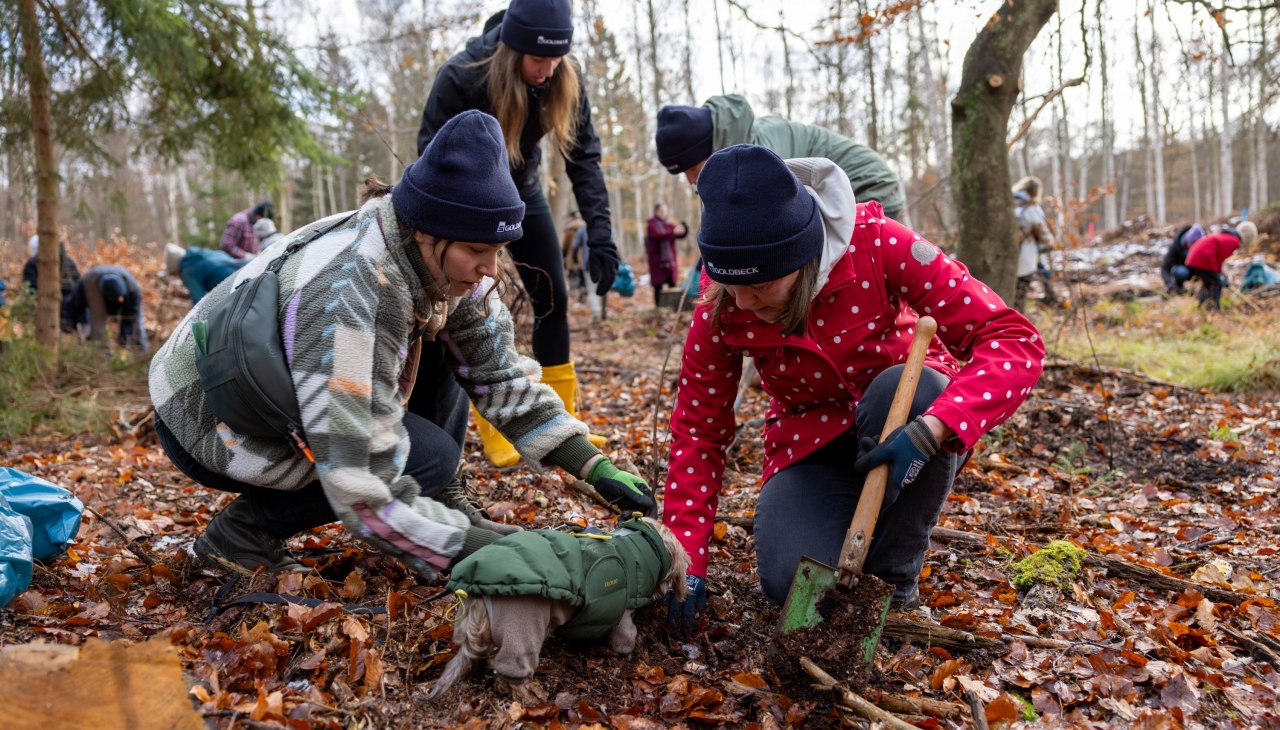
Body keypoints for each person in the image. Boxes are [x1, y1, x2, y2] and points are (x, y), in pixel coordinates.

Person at [149, 111, 654, 578]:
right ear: (426, 234)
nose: (490, 269)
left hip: (276, 384)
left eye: (498, 251)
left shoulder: (437, 259)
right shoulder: (351, 294)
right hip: (208, 418)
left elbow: (498, 374)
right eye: (477, 251)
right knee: (428, 456)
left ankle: (439, 499)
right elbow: (360, 482)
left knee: (449, 343)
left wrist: (592, 464)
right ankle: (242, 533)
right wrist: (473, 547)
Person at [661, 146, 1045, 636]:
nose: (742, 301)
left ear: (801, 260)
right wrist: (686, 553)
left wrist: (936, 426)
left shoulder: (877, 243)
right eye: (730, 285)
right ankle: (842, 547)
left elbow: (1014, 340)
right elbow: (699, 428)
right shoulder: (722, 301)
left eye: (759, 286)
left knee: (910, 390)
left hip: (909, 422)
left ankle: (894, 579)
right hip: (810, 443)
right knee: (789, 581)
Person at [416, 0, 618, 467]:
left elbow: (584, 158)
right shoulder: (463, 76)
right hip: (468, 203)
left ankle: (564, 428)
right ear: (514, 50)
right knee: (479, 303)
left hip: (524, 191)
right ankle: (498, 431)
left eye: (555, 59)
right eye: (538, 60)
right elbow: (431, 153)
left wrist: (602, 235)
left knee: (554, 298)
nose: (547, 70)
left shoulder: (563, 76)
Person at [655, 94, 906, 222]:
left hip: (869, 188)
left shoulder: (758, 152)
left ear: (707, 150)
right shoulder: (733, 154)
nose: (690, 180)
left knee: (857, 283)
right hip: (836, 197)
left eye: (691, 168)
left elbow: (769, 226)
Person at [65, 265, 148, 351]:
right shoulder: (87, 284)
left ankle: (140, 352)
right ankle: (99, 354)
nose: (120, 300)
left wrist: (124, 343)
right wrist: (68, 329)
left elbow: (131, 319)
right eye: (117, 298)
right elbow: (72, 308)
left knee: (137, 328)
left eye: (120, 297)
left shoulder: (132, 289)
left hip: (127, 300)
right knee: (95, 328)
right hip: (96, 303)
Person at [1012, 177, 1059, 310]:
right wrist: (1048, 244)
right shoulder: (1031, 208)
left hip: (1000, 259)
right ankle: (1015, 326)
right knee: (1018, 298)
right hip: (1024, 259)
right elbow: (1046, 236)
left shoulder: (1005, 202)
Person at [1185, 221, 1256, 309]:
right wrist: (1219, 276)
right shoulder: (1233, 241)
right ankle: (1214, 308)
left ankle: (1202, 305)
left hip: (1194, 258)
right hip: (1202, 258)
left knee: (1208, 283)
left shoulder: (1226, 236)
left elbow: (1218, 259)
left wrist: (1221, 274)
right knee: (1216, 283)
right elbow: (1218, 258)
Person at [164, 244, 251, 304]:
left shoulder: (187, 270)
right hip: (240, 268)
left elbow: (198, 300)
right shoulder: (196, 254)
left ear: (175, 268)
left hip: (231, 282)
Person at [645, 203, 689, 308]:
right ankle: (658, 307)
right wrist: (673, 232)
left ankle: (673, 306)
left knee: (672, 283)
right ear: (656, 212)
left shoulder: (668, 225)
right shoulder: (651, 225)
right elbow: (659, 236)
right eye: (661, 211)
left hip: (669, 261)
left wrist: (684, 229)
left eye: (665, 211)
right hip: (657, 261)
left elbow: (679, 234)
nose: (664, 213)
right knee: (657, 285)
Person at [22, 234, 82, 303]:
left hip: (47, 306)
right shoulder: (69, 261)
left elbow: (30, 290)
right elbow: (78, 284)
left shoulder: (32, 264)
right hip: (72, 305)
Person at [1161, 223, 1204, 294]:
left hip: (1197, 270)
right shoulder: (1175, 246)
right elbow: (1165, 268)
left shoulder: (1205, 245)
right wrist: (1169, 284)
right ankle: (1179, 286)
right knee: (1181, 272)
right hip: (1184, 270)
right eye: (1192, 245)